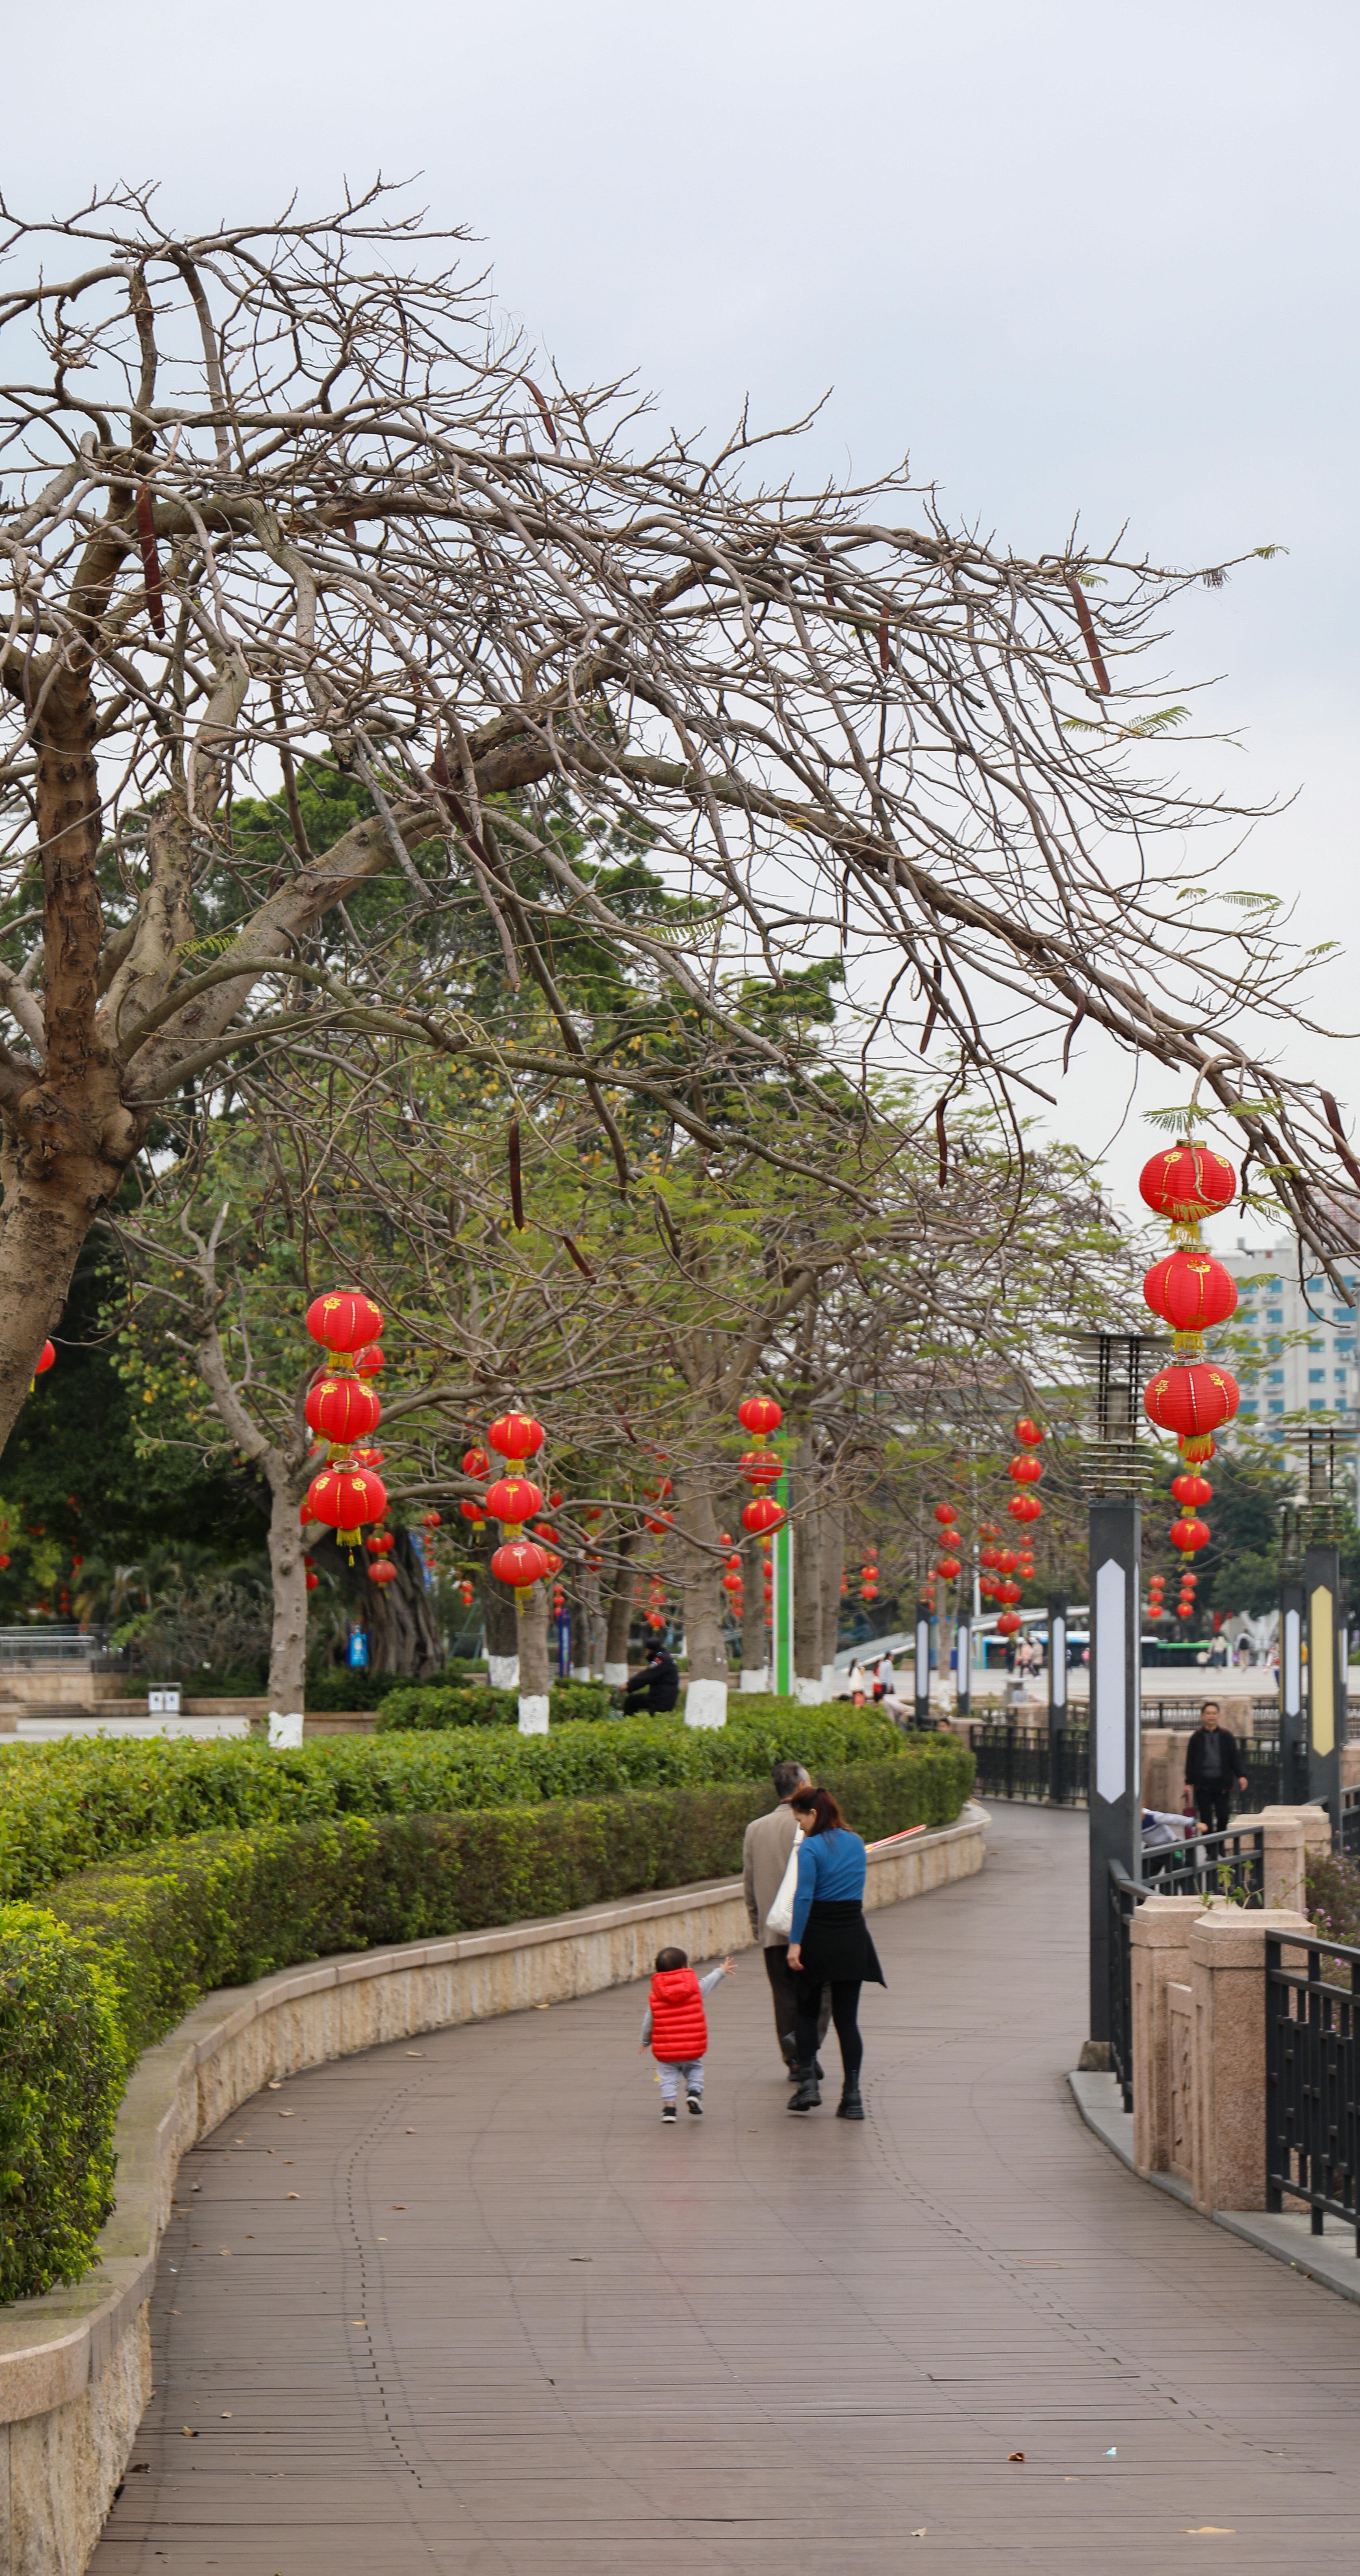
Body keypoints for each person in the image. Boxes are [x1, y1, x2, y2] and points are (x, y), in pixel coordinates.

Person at [785, 1784, 886, 2121]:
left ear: (814, 1814)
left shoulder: (810, 1849)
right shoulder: (856, 1843)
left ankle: (809, 2083)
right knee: (847, 2020)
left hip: (818, 1936)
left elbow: (804, 1897)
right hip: (853, 1937)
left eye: (801, 1820)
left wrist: (795, 1942)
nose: (800, 1827)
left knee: (806, 2011)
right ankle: (853, 2094)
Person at [742, 1763, 832, 2078]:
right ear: (803, 1784)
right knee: (822, 1991)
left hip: (774, 1930)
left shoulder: (756, 1828)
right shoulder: (812, 1824)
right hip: (813, 1928)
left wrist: (758, 1927)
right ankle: (807, 2047)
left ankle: (794, 2059)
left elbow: (749, 1884)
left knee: (784, 1997)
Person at [639, 1944, 733, 2121]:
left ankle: (669, 2110)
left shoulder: (655, 1996)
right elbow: (710, 1981)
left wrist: (645, 2041)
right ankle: (694, 2093)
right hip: (692, 2046)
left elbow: (648, 2022)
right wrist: (722, 1971)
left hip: (666, 2050)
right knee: (695, 2068)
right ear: (684, 1968)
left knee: (667, 2076)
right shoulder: (695, 1988)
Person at [1183, 1700, 1248, 1834]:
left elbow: (1235, 1758)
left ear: (1218, 1716)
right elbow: (1191, 1761)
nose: (1211, 1716)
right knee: (1206, 1819)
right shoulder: (1196, 1738)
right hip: (1203, 1785)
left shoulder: (1226, 1736)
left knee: (1223, 1816)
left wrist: (1241, 1776)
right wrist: (1188, 1783)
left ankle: (1221, 1845)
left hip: (1222, 1783)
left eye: (1214, 1713)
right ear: (1203, 1716)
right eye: (1208, 1714)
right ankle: (1210, 1851)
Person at [621, 1640, 680, 1716]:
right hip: (662, 1697)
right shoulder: (666, 1656)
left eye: (647, 1651)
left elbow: (647, 1676)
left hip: (661, 1699)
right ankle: (632, 1723)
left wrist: (628, 1685)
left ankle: (629, 1725)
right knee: (632, 1701)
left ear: (649, 1650)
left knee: (631, 1702)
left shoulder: (661, 1660)